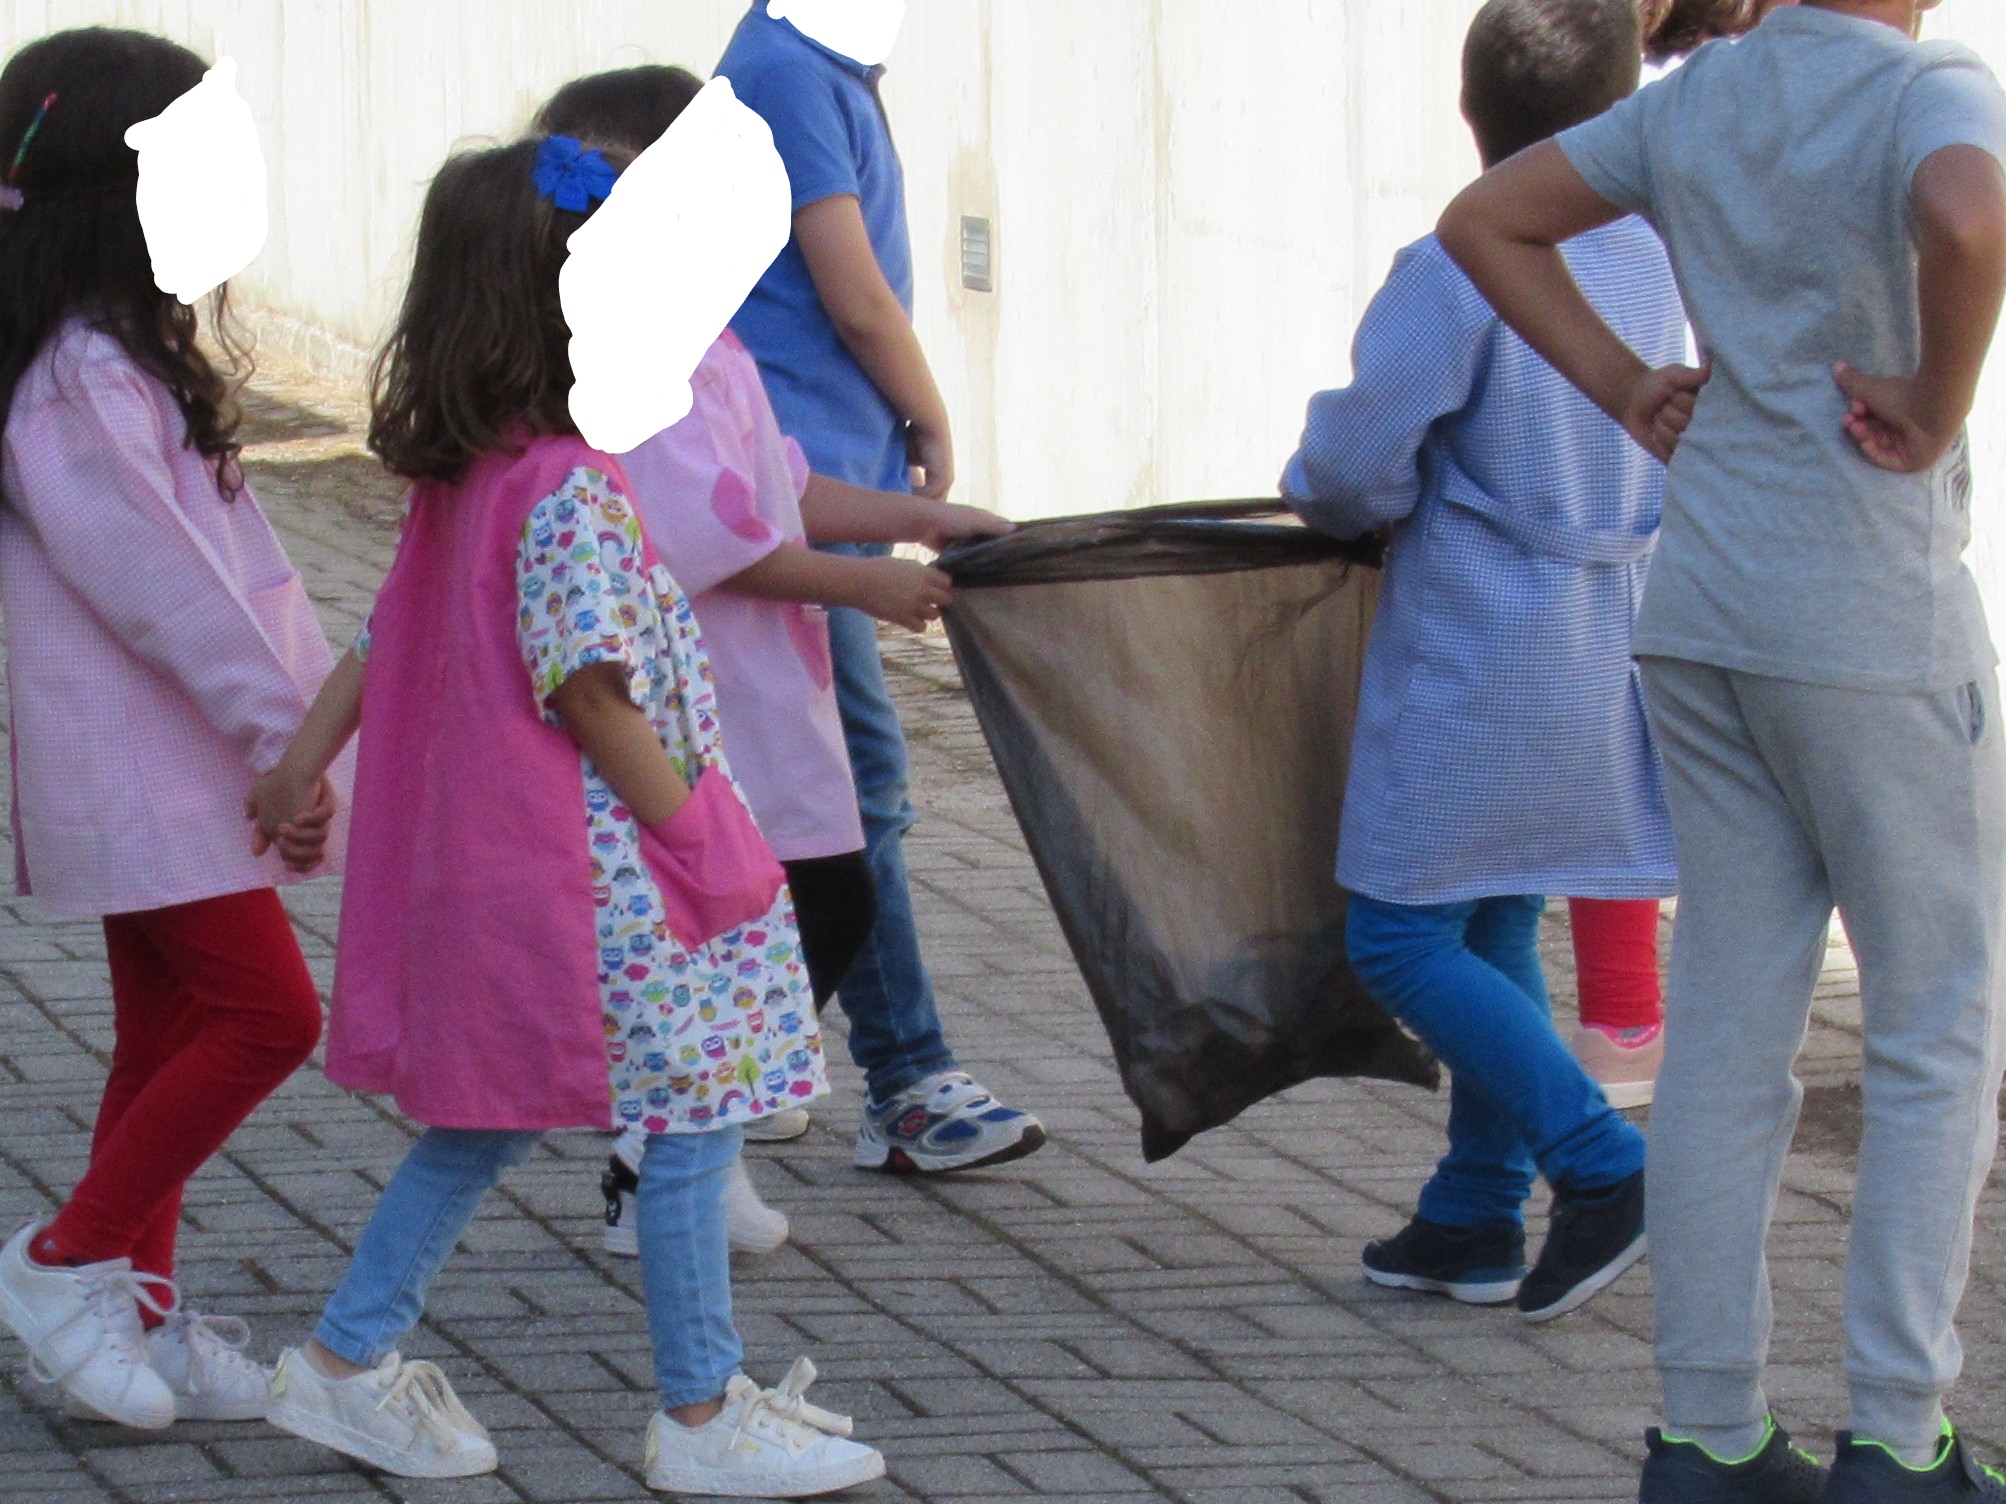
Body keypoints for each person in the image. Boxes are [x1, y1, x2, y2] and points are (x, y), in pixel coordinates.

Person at [244, 136, 884, 1496]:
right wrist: (702, 836)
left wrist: (301, 765)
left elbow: (377, 639)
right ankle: (700, 1416)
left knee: (485, 1118)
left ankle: (348, 1362)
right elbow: (591, 692)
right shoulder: (572, 493)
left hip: (517, 882)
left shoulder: (468, 478)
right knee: (695, 1116)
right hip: (607, 885)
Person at [1439, 0, 2006, 1498]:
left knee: (1727, 1033)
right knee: (1934, 1028)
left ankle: (1705, 1434)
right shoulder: (1929, 84)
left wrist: (1627, 386)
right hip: (1871, 617)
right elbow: (1966, 212)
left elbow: (1484, 219)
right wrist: (1937, 402)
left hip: (1701, 606)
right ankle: (1892, 1440)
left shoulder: (1698, 97)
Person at [532, 66, 1016, 1258]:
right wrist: (875, 582)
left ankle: (692, 1147)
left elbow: (784, 482)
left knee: (812, 901)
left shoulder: (710, 345)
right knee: (793, 907)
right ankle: (673, 1151)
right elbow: (716, 537)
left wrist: (926, 525)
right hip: (705, 708)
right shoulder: (626, 364)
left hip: (760, 697)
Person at [1282, 0, 1678, 1328]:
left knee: (1396, 933)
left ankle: (1599, 1160)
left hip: (1473, 633)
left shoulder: (1458, 263)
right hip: (1598, 627)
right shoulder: (1653, 262)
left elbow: (1353, 458)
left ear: (1470, 116)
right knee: (1493, 910)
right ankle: (1468, 1213)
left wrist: (1327, 501)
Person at [0, 27, 339, 1433]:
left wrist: (300, 732)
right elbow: (170, 597)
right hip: (160, 765)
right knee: (267, 1018)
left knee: (168, 1037)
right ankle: (60, 1263)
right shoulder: (81, 375)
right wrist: (287, 741)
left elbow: (229, 580)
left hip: (187, 761)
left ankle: (133, 1300)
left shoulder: (117, 352)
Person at [715, 2, 1045, 1172]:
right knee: (853, 791)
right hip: (793, 492)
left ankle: (743, 1066)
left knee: (810, 792)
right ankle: (900, 1076)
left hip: (821, 482)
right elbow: (852, 292)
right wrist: (931, 410)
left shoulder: (825, 64)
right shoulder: (785, 69)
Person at [1567, 0, 1786, 1110]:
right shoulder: (1722, 114)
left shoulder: (1682, 119)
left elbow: (1481, 228)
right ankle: (1632, 1016)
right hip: (1750, 522)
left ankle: (1626, 1020)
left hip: (1685, 538)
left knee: (1653, 784)